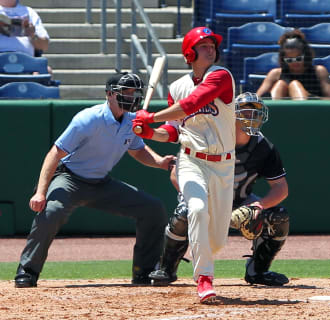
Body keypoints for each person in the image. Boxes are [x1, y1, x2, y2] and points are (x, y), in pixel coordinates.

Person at [14, 72, 175, 288]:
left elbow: (138, 151)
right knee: (51, 212)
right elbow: (54, 153)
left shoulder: (131, 121)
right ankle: (27, 270)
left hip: (101, 183)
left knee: (153, 209)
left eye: (134, 92)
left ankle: (144, 272)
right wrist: (41, 192)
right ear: (109, 94)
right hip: (69, 179)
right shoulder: (88, 119)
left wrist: (160, 162)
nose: (131, 96)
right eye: (124, 92)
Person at [132, 26, 236, 303]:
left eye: (212, 44)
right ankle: (204, 279)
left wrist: (150, 117)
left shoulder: (221, 76)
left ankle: (204, 259)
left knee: (217, 241)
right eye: (203, 45)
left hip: (223, 165)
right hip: (190, 160)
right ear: (190, 53)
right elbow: (175, 131)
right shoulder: (177, 87)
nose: (211, 48)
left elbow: (192, 103)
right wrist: (149, 133)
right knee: (197, 210)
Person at [149, 92, 290, 288]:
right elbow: (175, 173)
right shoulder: (210, 136)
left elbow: (281, 188)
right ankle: (166, 268)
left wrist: (258, 206)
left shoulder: (263, 146)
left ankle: (258, 271)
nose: (252, 118)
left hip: (240, 203)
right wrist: (197, 198)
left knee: (279, 217)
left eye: (256, 113)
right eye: (246, 113)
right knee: (184, 213)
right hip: (205, 198)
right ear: (230, 114)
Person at [256, 29, 330, 100]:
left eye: (298, 59)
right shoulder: (275, 74)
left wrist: (310, 98)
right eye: (289, 60)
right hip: (284, 112)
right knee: (280, 84)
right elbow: (256, 99)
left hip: (312, 111)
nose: (295, 63)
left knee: (294, 84)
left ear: (306, 55)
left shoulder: (319, 71)